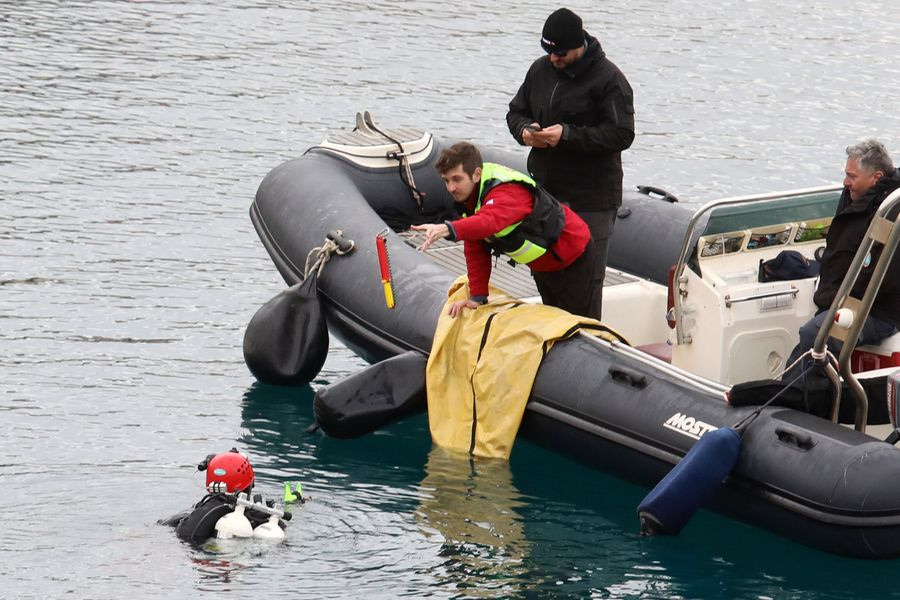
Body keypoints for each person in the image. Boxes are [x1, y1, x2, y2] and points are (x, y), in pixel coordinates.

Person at [506, 7, 635, 320]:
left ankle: (586, 350)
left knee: (584, 283)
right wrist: (525, 131)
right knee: (547, 273)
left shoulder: (609, 80)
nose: (554, 59)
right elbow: (515, 111)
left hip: (591, 200)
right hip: (547, 195)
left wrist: (567, 135)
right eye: (548, 51)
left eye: (561, 53)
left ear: (580, 45)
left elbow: (621, 134)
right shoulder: (539, 71)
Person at [412, 141, 597, 319]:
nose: (451, 188)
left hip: (574, 256)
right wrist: (477, 297)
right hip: (545, 266)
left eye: (457, 179)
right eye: (446, 180)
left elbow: (489, 221)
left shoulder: (506, 191)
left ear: (476, 174)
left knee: (580, 325)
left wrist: (447, 228)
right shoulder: (470, 200)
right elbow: (475, 247)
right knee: (554, 318)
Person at [785, 139, 900, 384]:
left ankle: (795, 401)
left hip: (878, 309)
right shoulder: (854, 196)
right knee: (814, 333)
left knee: (816, 334)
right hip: (843, 298)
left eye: (852, 176)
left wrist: (837, 303)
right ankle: (789, 394)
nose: (845, 182)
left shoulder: (891, 211)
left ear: (876, 177)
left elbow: (879, 277)